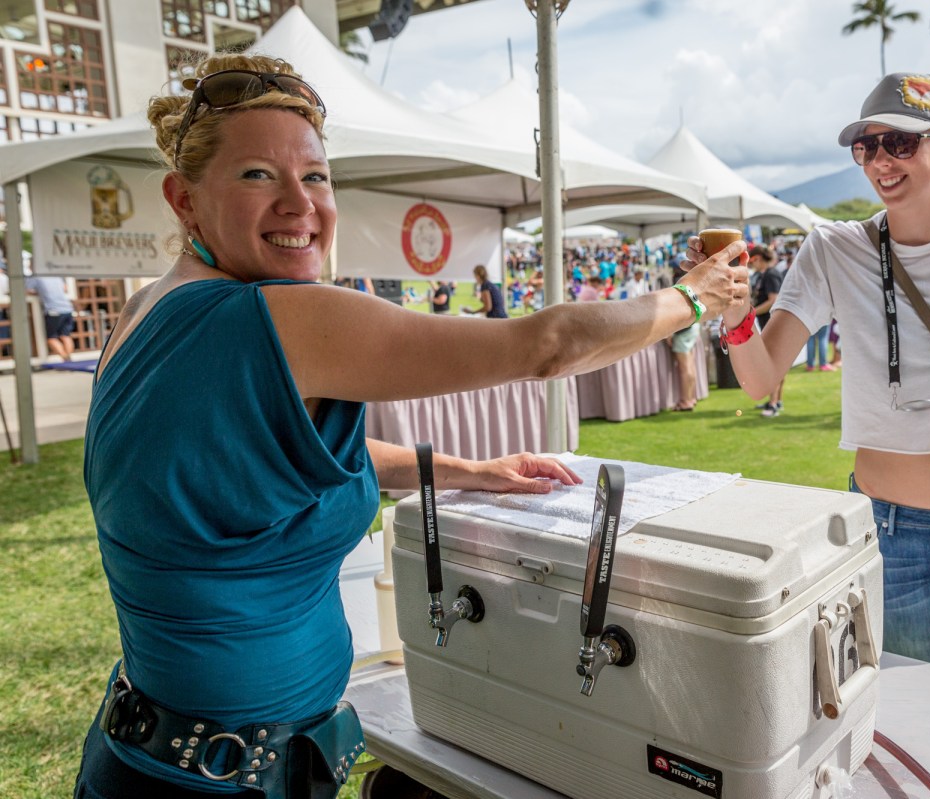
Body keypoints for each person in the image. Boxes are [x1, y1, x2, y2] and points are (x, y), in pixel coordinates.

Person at [74, 53, 748, 799]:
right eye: (257, 175)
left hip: (148, 755)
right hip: (213, 782)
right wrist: (693, 298)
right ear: (185, 199)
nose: (300, 204)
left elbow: (250, 458)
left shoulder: (144, 314)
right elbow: (547, 344)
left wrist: (467, 471)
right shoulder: (268, 319)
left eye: (316, 176)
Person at [685, 73, 930, 799]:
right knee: (912, 732)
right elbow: (759, 377)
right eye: (865, 146)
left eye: (897, 142)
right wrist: (733, 313)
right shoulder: (833, 248)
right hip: (890, 531)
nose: (879, 161)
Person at [746, 245, 786, 417]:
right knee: (776, 364)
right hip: (769, 323)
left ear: (758, 259)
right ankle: (775, 400)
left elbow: (773, 300)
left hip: (773, 324)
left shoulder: (771, 274)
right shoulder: (765, 274)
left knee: (773, 364)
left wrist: (752, 311)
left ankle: (773, 404)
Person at [26, 274, 77, 361]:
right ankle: (69, 360)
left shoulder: (36, 277)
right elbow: (65, 288)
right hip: (67, 308)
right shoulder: (56, 275)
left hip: (53, 310)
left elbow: (26, 290)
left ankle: (65, 358)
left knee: (51, 338)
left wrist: (39, 292)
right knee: (65, 335)